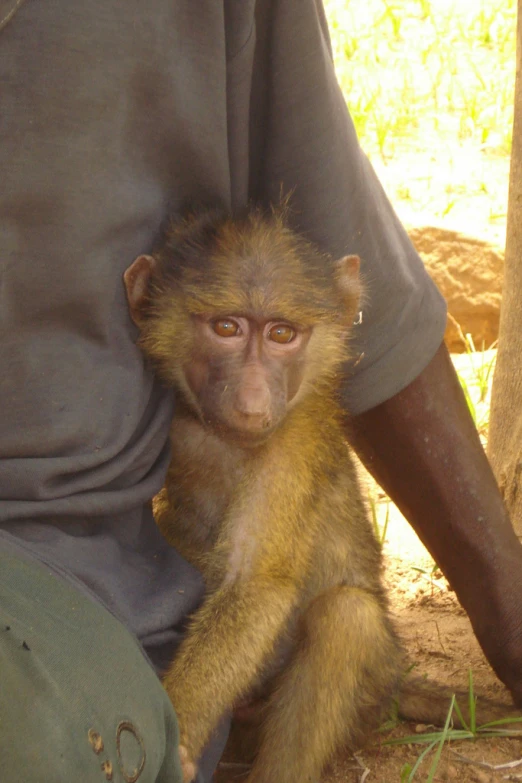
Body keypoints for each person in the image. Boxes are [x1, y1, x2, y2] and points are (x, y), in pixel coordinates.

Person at [1, 1, 522, 781]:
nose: (252, 398)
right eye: (222, 333)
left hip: (305, 632)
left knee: (345, 620)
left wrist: (175, 723)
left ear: (341, 317)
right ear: (145, 302)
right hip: (179, 613)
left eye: (282, 337)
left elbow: (260, 595)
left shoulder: (294, 441)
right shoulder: (154, 412)